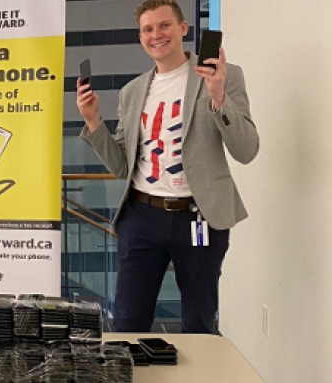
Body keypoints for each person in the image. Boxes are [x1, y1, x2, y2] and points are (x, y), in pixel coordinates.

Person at [76, 0, 258, 334]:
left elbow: (247, 150)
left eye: (164, 25)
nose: (156, 35)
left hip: (199, 216)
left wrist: (218, 96)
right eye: (148, 29)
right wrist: (93, 121)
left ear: (183, 28)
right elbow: (121, 166)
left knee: (199, 324)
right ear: (140, 37)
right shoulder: (132, 92)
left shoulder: (222, 77)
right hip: (142, 217)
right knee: (128, 323)